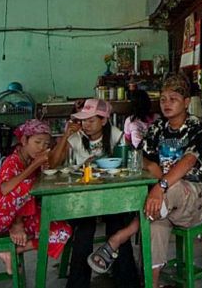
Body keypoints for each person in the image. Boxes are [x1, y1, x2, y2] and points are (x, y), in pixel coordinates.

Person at [133, 73, 202, 288]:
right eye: (163, 99)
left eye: (173, 99)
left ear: (187, 102)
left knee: (169, 190)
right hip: (168, 204)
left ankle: (121, 237)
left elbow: (189, 161)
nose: (167, 104)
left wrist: (160, 184)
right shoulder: (157, 129)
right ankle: (151, 285)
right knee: (155, 224)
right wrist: (151, 166)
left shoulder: (197, 127)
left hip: (201, 200)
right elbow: (138, 156)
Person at [47, 99, 138, 288]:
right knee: (84, 230)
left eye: (91, 120)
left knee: (117, 223)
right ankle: (78, 284)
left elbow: (130, 161)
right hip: (82, 200)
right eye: (83, 120)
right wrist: (65, 136)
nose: (85, 125)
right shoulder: (77, 137)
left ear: (103, 120)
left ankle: (126, 280)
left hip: (111, 196)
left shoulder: (115, 135)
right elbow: (53, 164)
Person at [0, 119, 71, 275]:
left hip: (22, 216)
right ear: (24, 140)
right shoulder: (12, 161)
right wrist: (34, 166)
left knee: (63, 230)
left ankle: (13, 251)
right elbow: (5, 189)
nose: (42, 147)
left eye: (46, 144)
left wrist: (65, 137)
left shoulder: (30, 158)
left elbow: (53, 163)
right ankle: (16, 227)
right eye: (37, 142)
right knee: (24, 187)